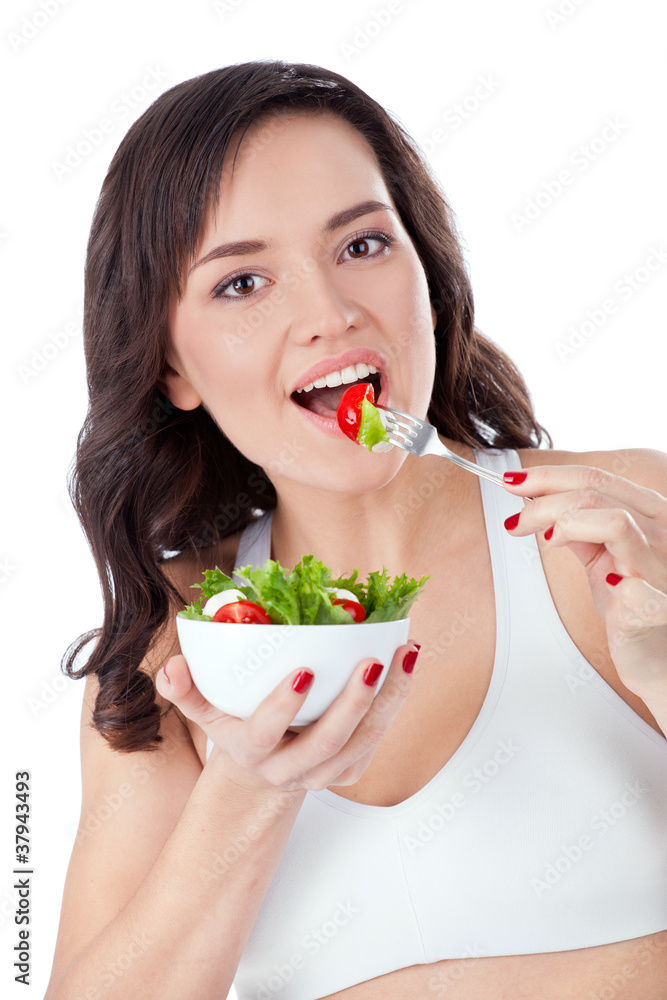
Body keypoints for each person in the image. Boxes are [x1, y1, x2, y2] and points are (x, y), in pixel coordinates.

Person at [45, 60, 667, 1000]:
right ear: (172, 367)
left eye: (363, 246)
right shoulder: (175, 650)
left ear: (428, 270)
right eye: (243, 282)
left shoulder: (620, 524)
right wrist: (248, 793)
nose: (329, 316)